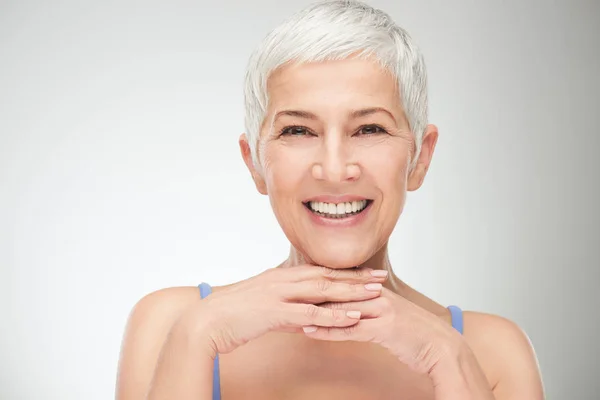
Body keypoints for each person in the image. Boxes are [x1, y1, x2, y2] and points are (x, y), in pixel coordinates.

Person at [115, 1, 545, 399]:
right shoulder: (172, 324)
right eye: (298, 131)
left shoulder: (493, 352)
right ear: (255, 164)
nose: (335, 170)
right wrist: (198, 336)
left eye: (370, 129)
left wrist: (446, 356)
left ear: (420, 157)